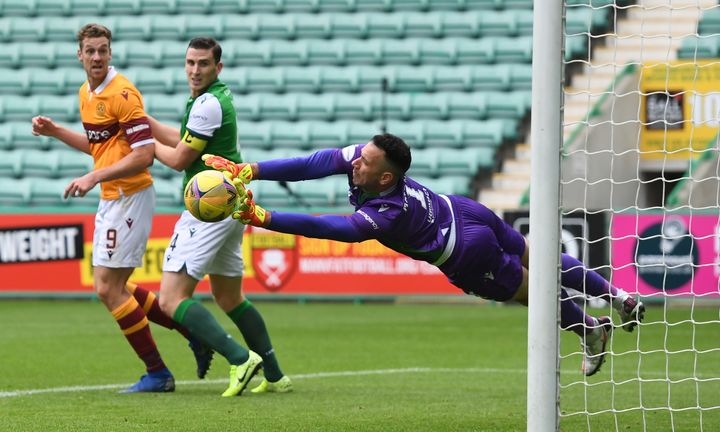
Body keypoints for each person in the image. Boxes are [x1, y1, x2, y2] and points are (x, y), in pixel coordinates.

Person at [205, 133, 646, 377]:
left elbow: (330, 228)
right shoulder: (373, 165)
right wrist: (252, 171)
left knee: (534, 292)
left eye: (365, 163)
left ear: (385, 179)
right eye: (359, 156)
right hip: (466, 210)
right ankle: (619, 296)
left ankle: (591, 329)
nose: (355, 163)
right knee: (542, 257)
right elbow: (315, 162)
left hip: (463, 251)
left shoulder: (387, 212)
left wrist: (264, 216)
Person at [31, 23, 212, 393]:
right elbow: (101, 149)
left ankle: (158, 373)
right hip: (113, 196)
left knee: (108, 288)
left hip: (130, 195)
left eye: (102, 50)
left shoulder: (123, 93)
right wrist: (57, 132)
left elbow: (144, 156)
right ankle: (192, 332)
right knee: (116, 286)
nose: (96, 57)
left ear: (110, 53)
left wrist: (93, 177)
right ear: (79, 55)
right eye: (90, 51)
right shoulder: (87, 92)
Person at [146, 36, 289, 396]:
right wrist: (145, 123)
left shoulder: (207, 103)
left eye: (203, 64)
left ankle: (240, 359)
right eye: (190, 63)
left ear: (217, 67)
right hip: (228, 203)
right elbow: (182, 142)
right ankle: (274, 375)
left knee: (171, 299)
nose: (195, 70)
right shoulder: (208, 99)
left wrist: (145, 146)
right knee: (229, 297)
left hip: (208, 207)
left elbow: (178, 158)